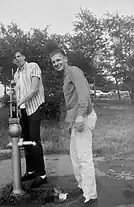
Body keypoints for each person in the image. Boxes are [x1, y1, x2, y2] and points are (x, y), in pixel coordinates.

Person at [50, 48, 97, 205]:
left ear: (65, 59)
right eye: (54, 61)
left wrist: (80, 116)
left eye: (58, 60)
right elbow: (72, 102)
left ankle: (90, 196)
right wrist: (72, 122)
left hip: (83, 117)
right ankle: (82, 187)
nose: (56, 63)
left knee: (84, 158)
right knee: (75, 157)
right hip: (76, 120)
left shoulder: (74, 71)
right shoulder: (66, 76)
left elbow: (84, 93)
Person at [13, 49, 47, 185]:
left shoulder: (33, 66)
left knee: (34, 141)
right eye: (15, 58)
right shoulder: (16, 74)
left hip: (34, 108)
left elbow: (34, 89)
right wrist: (17, 107)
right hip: (23, 111)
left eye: (19, 56)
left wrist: (20, 102)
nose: (17, 59)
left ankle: (42, 175)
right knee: (25, 141)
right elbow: (18, 93)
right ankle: (31, 171)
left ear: (24, 56)